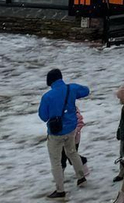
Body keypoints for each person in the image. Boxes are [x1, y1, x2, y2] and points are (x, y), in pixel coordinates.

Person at [38, 68, 91, 199]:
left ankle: (60, 190)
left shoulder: (47, 97)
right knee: (72, 152)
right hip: (72, 129)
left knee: (56, 161)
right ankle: (81, 177)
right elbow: (86, 91)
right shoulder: (71, 88)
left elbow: (43, 116)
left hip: (56, 133)